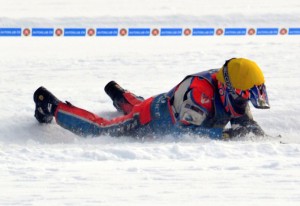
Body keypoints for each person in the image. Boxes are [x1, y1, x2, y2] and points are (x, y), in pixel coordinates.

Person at [33, 58, 270, 139]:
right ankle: (49, 104)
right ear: (230, 89)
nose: (244, 102)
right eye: (242, 97)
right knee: (102, 130)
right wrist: (226, 135)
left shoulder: (230, 89)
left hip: (162, 102)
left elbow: (245, 123)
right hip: (151, 117)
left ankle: (116, 91)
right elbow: (183, 132)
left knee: (138, 104)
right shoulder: (203, 94)